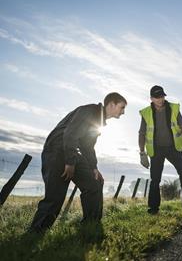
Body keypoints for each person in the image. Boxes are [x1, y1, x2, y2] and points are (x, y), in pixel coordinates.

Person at [29, 92, 127, 233]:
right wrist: (70, 163)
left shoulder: (99, 120)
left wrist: (93, 168)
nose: (123, 112)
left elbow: (87, 146)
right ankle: (36, 232)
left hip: (71, 153)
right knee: (55, 197)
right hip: (56, 151)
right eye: (122, 107)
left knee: (95, 182)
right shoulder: (88, 111)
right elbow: (70, 134)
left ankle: (91, 225)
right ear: (111, 104)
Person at [138, 85, 182, 217]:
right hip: (156, 150)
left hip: (173, 148)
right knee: (155, 180)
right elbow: (142, 133)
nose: (160, 99)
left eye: (162, 96)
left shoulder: (173, 108)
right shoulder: (146, 113)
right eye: (157, 97)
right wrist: (142, 153)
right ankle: (153, 209)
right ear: (151, 98)